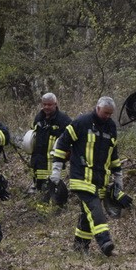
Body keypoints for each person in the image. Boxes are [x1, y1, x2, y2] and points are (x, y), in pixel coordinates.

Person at [50, 96, 123, 256]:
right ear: (97, 108)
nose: (107, 116)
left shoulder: (111, 127)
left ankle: (80, 247)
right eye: (105, 113)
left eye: (110, 114)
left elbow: (114, 153)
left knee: (86, 215)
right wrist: (56, 170)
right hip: (81, 178)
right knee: (95, 210)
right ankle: (105, 243)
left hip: (100, 180)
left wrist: (118, 177)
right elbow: (62, 143)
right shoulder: (82, 122)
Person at [29, 93, 72, 197]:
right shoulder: (39, 118)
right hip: (39, 162)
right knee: (40, 190)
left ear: (55, 104)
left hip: (55, 163)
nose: (46, 107)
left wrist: (67, 154)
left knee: (56, 192)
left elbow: (71, 140)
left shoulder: (64, 120)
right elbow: (32, 136)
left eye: (49, 105)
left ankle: (57, 210)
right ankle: (42, 210)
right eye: (44, 104)